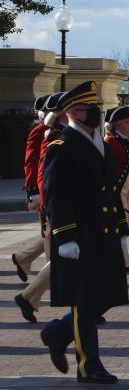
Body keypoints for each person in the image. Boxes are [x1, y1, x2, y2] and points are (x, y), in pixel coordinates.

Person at [39, 81, 129, 384]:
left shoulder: (98, 142)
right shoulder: (62, 146)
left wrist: (120, 226)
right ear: (71, 113)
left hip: (101, 234)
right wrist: (65, 236)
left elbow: (109, 189)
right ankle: (89, 366)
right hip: (79, 236)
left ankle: (57, 332)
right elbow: (55, 195)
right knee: (84, 301)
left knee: (105, 296)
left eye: (94, 108)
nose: (92, 113)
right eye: (85, 108)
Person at [14, 92, 65, 324]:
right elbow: (33, 163)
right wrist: (34, 192)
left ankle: (23, 263)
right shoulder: (44, 134)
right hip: (49, 200)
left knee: (59, 254)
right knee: (59, 255)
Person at [12, 94, 52, 282]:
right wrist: (33, 190)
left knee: (50, 232)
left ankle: (23, 258)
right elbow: (31, 163)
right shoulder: (39, 131)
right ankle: (53, 276)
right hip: (41, 191)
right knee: (50, 233)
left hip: (49, 190)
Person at [103, 105, 129, 272]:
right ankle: (122, 259)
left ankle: (122, 256)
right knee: (121, 223)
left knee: (127, 223)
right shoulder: (110, 142)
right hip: (117, 191)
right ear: (116, 124)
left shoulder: (121, 141)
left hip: (126, 191)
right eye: (126, 122)